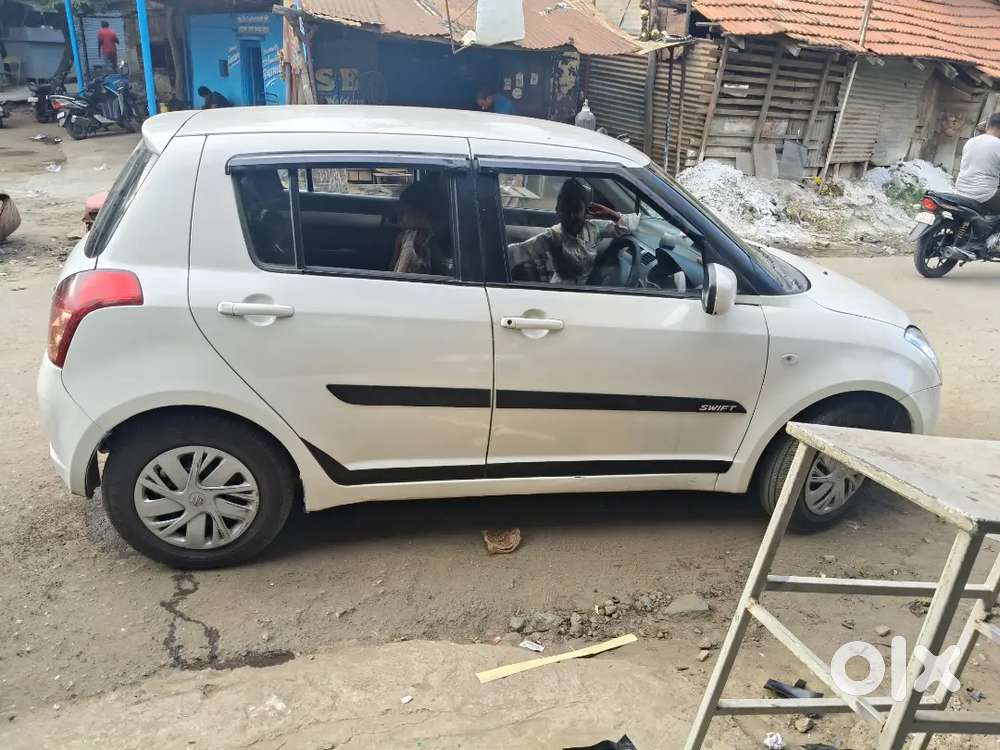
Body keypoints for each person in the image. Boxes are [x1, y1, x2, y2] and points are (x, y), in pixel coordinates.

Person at [508, 178, 639, 285]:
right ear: (558, 210)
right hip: (560, 292)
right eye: (566, 210)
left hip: (585, 289)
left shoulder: (594, 229)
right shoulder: (552, 237)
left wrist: (611, 214)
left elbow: (630, 226)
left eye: (576, 210)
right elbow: (515, 252)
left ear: (586, 212)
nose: (570, 215)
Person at [391, 181, 452, 276]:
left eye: (404, 212)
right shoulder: (404, 237)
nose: (399, 218)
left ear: (421, 212)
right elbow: (393, 270)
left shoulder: (446, 240)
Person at [956, 112, 1000, 213]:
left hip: (960, 190)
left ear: (987, 125)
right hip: (984, 195)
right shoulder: (998, 144)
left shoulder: (971, 141)